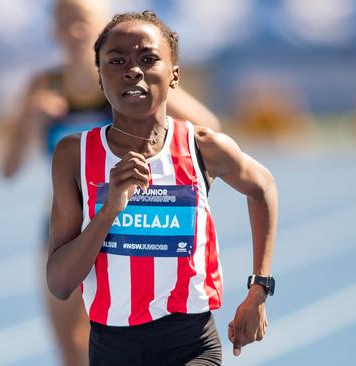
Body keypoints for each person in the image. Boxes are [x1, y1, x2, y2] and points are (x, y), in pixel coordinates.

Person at [47, 10, 277, 365]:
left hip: (189, 345)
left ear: (174, 75)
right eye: (117, 59)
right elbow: (60, 284)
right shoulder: (74, 156)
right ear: (100, 77)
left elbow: (262, 187)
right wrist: (109, 211)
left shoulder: (202, 147)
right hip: (111, 348)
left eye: (148, 58)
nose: (133, 70)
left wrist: (259, 288)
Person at [0, 2, 221, 365]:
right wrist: (28, 117)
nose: (73, 32)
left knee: (118, 337)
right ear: (52, 30)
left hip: (128, 226)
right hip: (66, 225)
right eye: (64, 23)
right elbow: (8, 169)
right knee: (70, 346)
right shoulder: (43, 86)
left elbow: (208, 127)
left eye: (81, 22)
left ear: (101, 28)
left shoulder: (126, 82)